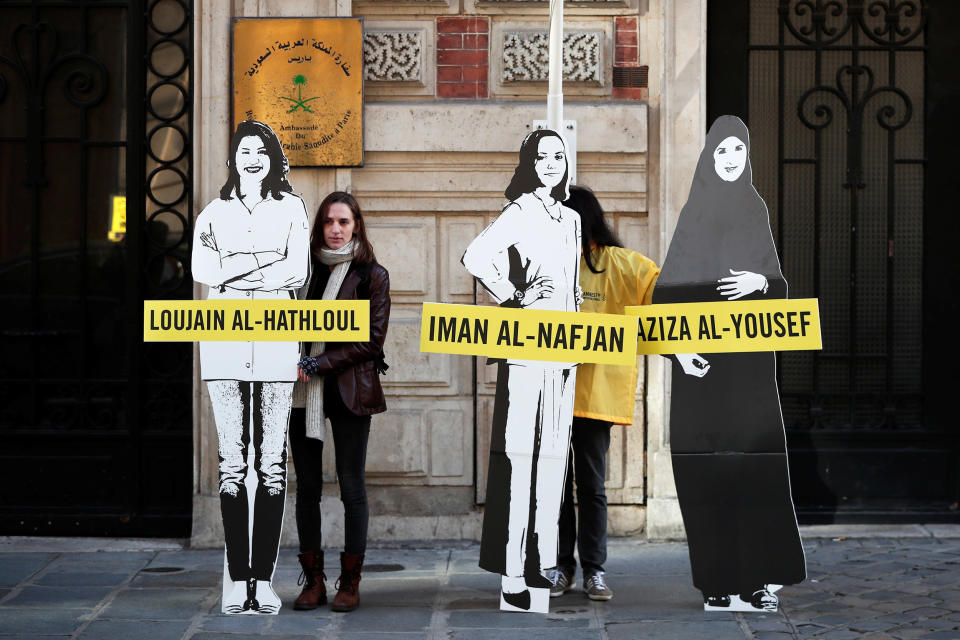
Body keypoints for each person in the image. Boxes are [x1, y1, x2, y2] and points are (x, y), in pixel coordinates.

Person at [652, 115, 805, 611]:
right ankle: (718, 583)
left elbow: (778, 286)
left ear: (747, 157)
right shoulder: (695, 214)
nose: (731, 159)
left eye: (739, 150)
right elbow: (664, 298)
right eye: (722, 151)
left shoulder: (755, 209)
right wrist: (679, 351)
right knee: (709, 474)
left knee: (757, 470)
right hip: (702, 372)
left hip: (750, 373)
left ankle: (758, 579)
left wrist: (760, 285)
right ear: (709, 158)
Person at [192, 120, 310, 614]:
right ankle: (236, 581)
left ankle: (263, 580)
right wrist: (261, 269)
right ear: (232, 161)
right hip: (223, 341)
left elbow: (297, 269)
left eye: (261, 150)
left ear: (274, 159)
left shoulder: (292, 209)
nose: (253, 158)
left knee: (272, 464)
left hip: (278, 339)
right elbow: (203, 270)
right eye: (244, 150)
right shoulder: (213, 214)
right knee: (232, 465)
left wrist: (236, 271)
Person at [462, 129, 582, 611]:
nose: (552, 163)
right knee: (519, 458)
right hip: (526, 345)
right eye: (543, 156)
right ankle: (513, 568)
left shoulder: (572, 219)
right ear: (530, 163)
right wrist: (510, 294)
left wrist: (576, 333)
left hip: (564, 350)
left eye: (559, 156)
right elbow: (476, 255)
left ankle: (544, 561)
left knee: (556, 455)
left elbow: (573, 287)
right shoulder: (520, 212)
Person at [549, 185, 659, 601]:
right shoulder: (545, 264)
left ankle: (593, 569)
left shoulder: (619, 265)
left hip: (593, 397)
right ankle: (562, 567)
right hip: (553, 395)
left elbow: (662, 294)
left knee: (591, 488)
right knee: (558, 489)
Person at [289, 191, 391, 613]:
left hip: (349, 390)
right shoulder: (302, 272)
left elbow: (372, 341)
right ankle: (313, 581)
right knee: (307, 488)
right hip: (301, 394)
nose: (335, 229)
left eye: (344, 222)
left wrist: (319, 363)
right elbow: (282, 322)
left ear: (357, 226)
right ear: (320, 226)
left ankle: (350, 582)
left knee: (351, 487)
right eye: (329, 222)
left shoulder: (372, 274)